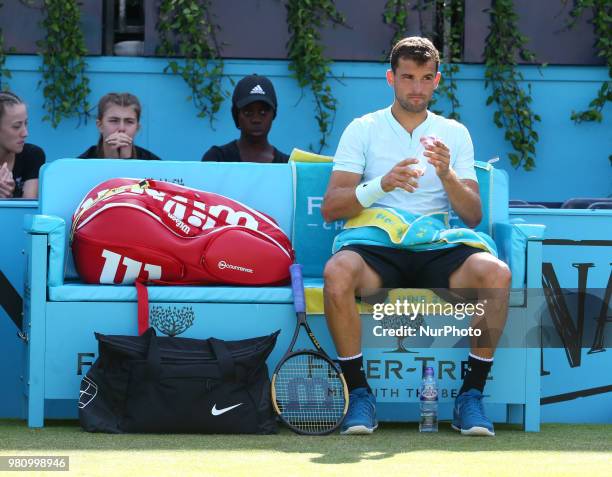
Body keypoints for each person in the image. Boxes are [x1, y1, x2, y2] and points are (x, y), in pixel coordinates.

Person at [321, 37, 511, 436]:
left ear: (437, 81)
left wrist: (447, 175)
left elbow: (472, 215)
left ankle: (470, 397)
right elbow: (332, 207)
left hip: (435, 248)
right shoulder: (363, 129)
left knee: (496, 274)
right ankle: (359, 395)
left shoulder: (453, 134)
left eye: (426, 79)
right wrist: (382, 185)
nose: (416, 88)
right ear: (391, 78)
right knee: (338, 271)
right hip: (376, 247)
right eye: (407, 77)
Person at [201, 74, 289, 163]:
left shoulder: (288, 166)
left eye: (263, 112)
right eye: (248, 112)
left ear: (273, 114)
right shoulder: (217, 159)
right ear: (236, 115)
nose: (256, 120)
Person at [79, 93, 161, 160]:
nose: (121, 128)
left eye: (129, 122)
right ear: (100, 126)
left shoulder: (154, 164)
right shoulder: (81, 164)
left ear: (137, 128)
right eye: (114, 121)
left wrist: (127, 160)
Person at [0, 91, 45, 199]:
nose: (25, 133)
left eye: (26, 123)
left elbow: (28, 210)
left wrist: (9, 197)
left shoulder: (33, 156)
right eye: (16, 126)